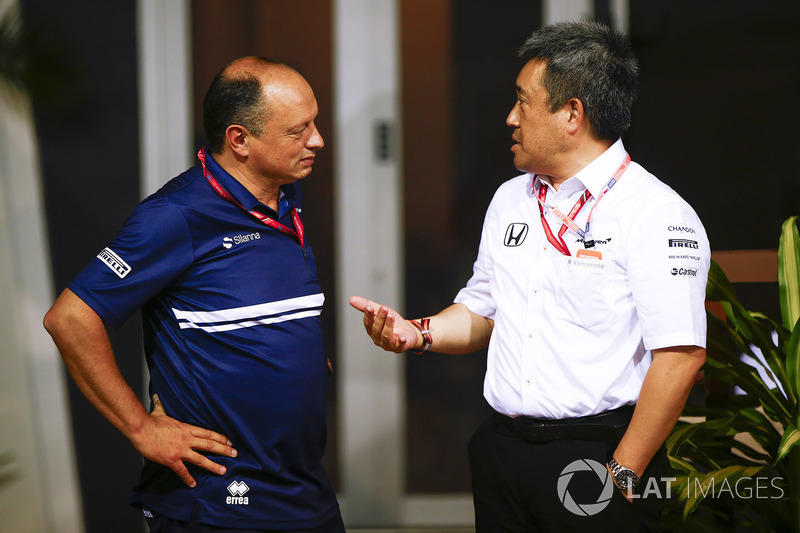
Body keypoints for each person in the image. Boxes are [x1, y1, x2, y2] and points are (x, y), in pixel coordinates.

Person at [350, 21, 709, 532]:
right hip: (502, 452)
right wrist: (420, 333)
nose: (510, 117)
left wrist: (622, 474)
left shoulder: (656, 213)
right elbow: (482, 309)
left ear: (571, 114)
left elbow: (680, 357)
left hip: (597, 454)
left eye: (523, 101)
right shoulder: (511, 199)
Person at [44, 57, 344, 532]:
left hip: (302, 486)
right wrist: (141, 429)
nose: (317, 140)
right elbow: (70, 318)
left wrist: (298, 350)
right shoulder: (175, 217)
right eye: (298, 130)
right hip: (217, 498)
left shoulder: (286, 196)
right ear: (239, 139)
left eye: (315, 122)